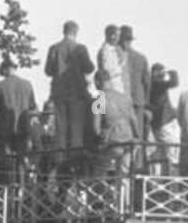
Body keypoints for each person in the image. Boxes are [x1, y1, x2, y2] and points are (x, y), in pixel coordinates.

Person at [44, 20, 95, 156]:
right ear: (76, 32)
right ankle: (75, 159)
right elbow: (89, 68)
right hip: (77, 93)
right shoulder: (80, 48)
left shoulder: (54, 48)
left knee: (61, 128)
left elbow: (48, 71)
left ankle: (60, 158)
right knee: (76, 128)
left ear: (64, 31)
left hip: (59, 93)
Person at [0, 56, 37, 182]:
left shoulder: (0, 85)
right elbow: (33, 106)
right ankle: (22, 186)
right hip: (23, 126)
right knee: (21, 159)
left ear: (5, 70)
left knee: (7, 160)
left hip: (5, 127)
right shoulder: (27, 84)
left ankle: (8, 187)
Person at [91, 68, 139, 175]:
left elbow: (95, 128)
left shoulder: (98, 99)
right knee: (124, 174)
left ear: (97, 82)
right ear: (109, 80)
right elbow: (134, 121)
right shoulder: (125, 98)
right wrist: (136, 137)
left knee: (99, 167)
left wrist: (100, 138)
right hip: (128, 141)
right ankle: (123, 187)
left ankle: (101, 185)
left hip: (111, 142)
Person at [118, 26, 151, 148]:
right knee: (137, 135)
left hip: (120, 102)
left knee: (122, 135)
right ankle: (138, 159)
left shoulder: (115, 58)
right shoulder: (141, 58)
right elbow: (147, 83)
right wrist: (146, 103)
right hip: (137, 101)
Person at [148, 63, 181, 173]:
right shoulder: (157, 84)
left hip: (158, 123)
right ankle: (172, 181)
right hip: (164, 122)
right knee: (172, 154)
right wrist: (169, 72)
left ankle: (157, 180)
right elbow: (174, 82)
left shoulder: (152, 85)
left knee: (159, 154)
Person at [97, 24, 124, 93]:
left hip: (115, 86)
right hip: (111, 86)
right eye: (118, 35)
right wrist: (120, 67)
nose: (118, 38)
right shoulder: (105, 51)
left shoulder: (113, 49)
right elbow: (107, 72)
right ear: (112, 36)